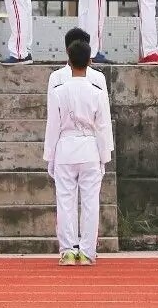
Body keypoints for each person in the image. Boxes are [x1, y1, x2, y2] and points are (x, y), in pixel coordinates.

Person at [44, 37, 114, 265]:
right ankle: (87, 251)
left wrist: (50, 156)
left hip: (65, 147)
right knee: (91, 202)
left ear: (68, 59)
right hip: (89, 148)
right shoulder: (97, 90)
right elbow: (103, 125)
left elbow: (52, 125)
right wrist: (105, 156)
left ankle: (67, 250)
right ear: (90, 61)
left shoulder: (59, 90)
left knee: (65, 201)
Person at [48, 26, 107, 95]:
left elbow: (52, 105)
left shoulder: (56, 77)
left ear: (67, 50)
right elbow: (104, 105)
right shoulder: (98, 76)